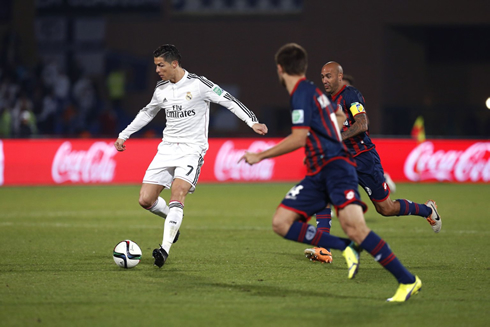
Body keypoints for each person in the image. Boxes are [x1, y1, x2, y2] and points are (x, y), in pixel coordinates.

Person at [240, 43, 421, 302]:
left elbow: (299, 137)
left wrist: (260, 155)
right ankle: (343, 247)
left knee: (357, 227)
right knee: (281, 223)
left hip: (335, 168)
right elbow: (336, 116)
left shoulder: (302, 94)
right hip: (320, 171)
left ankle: (408, 281)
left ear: (280, 69)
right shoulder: (314, 93)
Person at [114, 44, 268, 268]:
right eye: (156, 65)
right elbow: (148, 111)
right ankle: (171, 220)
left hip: (191, 150)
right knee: (145, 200)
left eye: (161, 65)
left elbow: (228, 100)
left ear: (174, 63)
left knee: (178, 193)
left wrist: (252, 121)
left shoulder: (199, 84)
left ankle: (164, 248)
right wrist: (124, 134)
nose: (157, 70)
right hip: (166, 149)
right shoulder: (161, 89)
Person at [303, 62, 441, 264]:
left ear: (340, 77)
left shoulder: (351, 95)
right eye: (322, 76)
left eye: (329, 76)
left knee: (386, 208)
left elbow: (362, 123)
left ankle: (428, 210)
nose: (324, 80)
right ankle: (323, 248)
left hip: (364, 158)